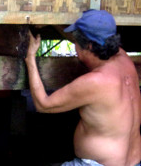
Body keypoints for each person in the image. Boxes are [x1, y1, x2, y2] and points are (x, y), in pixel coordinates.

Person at [24, 9, 141, 166]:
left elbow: (43, 104)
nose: (75, 46)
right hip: (134, 162)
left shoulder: (96, 81)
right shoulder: (123, 58)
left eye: (77, 42)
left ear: (90, 46)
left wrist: (30, 57)